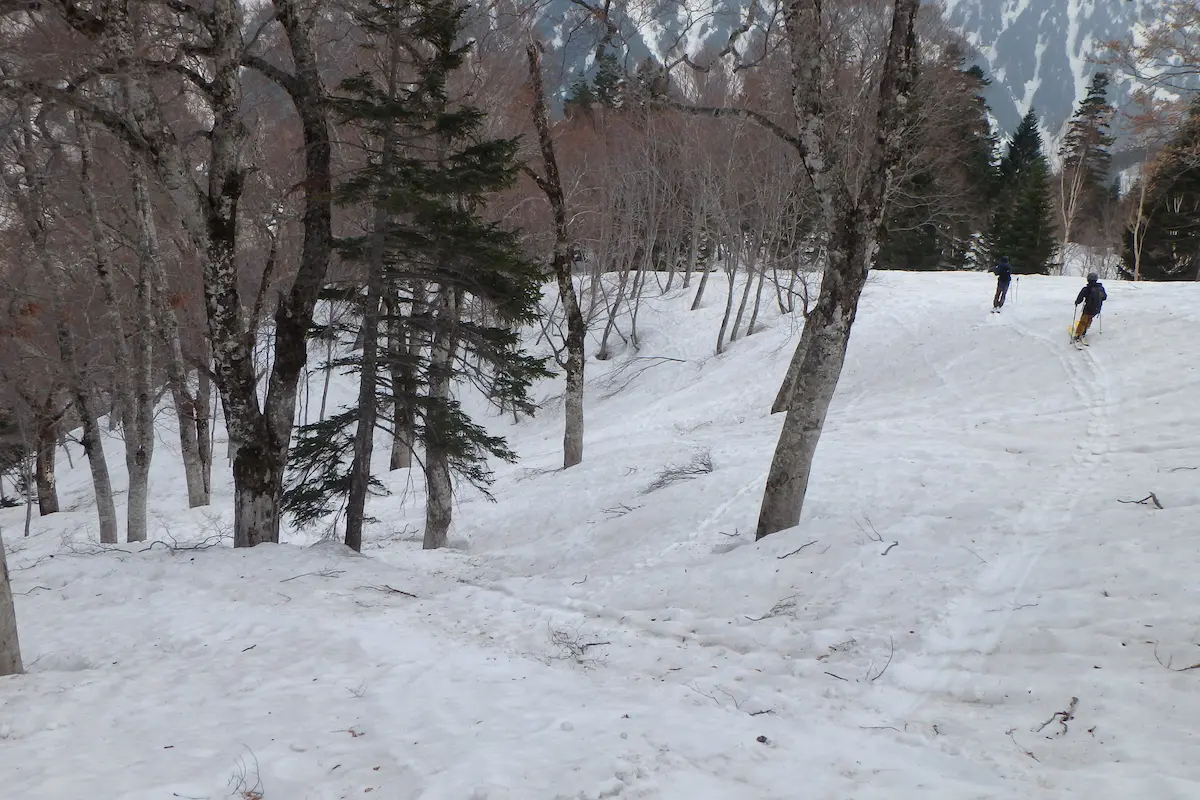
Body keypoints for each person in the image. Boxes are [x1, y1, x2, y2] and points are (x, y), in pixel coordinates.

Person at [1073, 272, 1107, 341]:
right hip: (1096, 309)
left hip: (1088, 308)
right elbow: (1104, 297)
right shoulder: (1101, 288)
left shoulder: (1087, 288)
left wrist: (1077, 302)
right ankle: (1084, 332)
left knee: (1083, 321)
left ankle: (1078, 335)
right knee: (1089, 319)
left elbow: (1080, 297)